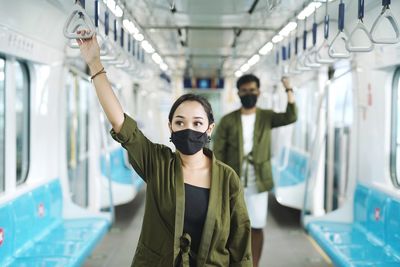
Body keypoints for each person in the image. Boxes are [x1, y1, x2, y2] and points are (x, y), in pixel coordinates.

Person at [76, 32, 252, 267]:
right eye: (180, 122)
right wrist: (94, 63)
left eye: (197, 123)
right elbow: (121, 124)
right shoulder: (158, 163)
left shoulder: (228, 179)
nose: (188, 129)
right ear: (170, 127)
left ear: (209, 129)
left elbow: (240, 246)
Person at [213, 74, 297, 267]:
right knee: (232, 226)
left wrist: (288, 89)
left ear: (258, 92)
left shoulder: (266, 117)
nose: (249, 94)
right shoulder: (228, 120)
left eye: (252, 90)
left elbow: (291, 116)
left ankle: (254, 263)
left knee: (257, 226)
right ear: (238, 93)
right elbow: (218, 151)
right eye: (244, 91)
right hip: (233, 180)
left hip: (259, 180)